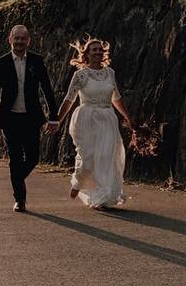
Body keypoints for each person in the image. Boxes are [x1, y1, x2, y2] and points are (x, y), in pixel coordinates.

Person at [0, 24, 58, 212]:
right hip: (10, 119)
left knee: (33, 158)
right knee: (15, 159)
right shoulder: (1, 63)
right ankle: (20, 199)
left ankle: (16, 177)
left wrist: (53, 117)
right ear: (10, 39)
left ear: (28, 41)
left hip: (32, 118)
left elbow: (47, 89)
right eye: (16, 38)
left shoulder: (36, 61)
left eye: (23, 39)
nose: (19, 42)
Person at [55, 37, 134, 209]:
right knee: (88, 158)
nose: (98, 52)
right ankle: (78, 182)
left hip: (107, 118)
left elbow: (117, 98)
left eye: (100, 50)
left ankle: (103, 196)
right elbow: (69, 100)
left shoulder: (110, 73)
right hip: (86, 119)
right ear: (87, 54)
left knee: (107, 157)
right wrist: (57, 121)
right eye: (94, 50)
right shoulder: (80, 75)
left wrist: (128, 118)